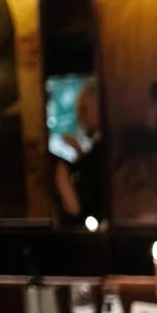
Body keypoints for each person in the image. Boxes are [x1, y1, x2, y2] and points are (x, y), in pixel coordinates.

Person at [54, 79, 104, 226]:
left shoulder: (104, 149)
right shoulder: (98, 148)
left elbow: (78, 208)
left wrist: (62, 175)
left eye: (84, 109)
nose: (79, 117)